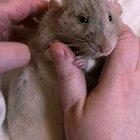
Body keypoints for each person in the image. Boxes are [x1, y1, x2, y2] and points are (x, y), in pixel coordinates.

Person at [0, 0, 140, 140]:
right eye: (83, 20)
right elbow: (42, 46)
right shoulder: (50, 30)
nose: (105, 44)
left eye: (109, 18)